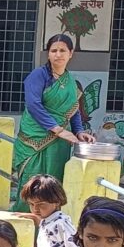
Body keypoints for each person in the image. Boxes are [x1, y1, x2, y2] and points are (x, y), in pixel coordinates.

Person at [11, 34, 96, 212]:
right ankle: (25, 224)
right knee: (32, 185)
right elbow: (34, 105)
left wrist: (79, 131)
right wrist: (58, 130)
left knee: (53, 186)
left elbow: (73, 109)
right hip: (34, 139)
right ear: (48, 54)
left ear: (71, 53)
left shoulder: (71, 81)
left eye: (62, 50)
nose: (58, 54)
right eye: (53, 50)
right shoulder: (38, 76)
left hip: (59, 144)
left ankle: (50, 226)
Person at [19, 174, 82, 247]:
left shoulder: (62, 222)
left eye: (41, 205)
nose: (35, 209)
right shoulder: (47, 220)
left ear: (56, 202)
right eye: (31, 204)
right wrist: (36, 220)